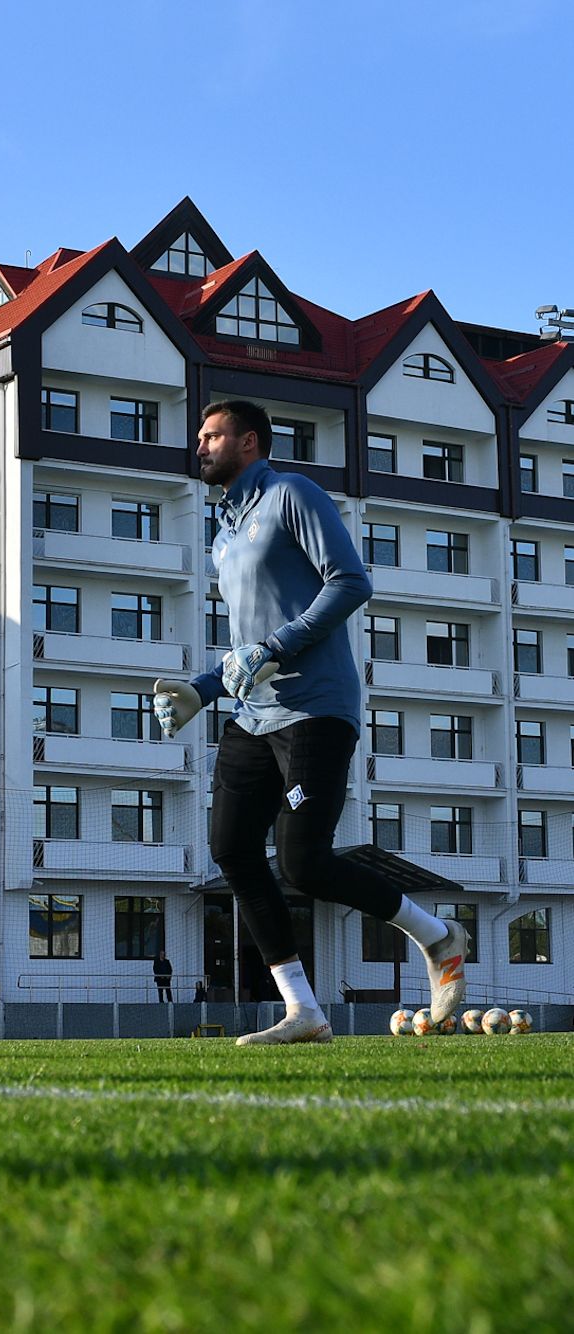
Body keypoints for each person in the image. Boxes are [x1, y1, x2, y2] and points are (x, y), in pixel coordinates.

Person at [153, 400, 467, 1046]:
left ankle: (437, 936)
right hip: (252, 716)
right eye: (200, 437)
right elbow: (248, 646)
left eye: (213, 436)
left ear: (249, 442)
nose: (201, 446)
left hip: (317, 707)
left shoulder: (291, 494)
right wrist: (201, 691)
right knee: (232, 847)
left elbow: (351, 582)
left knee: (304, 861)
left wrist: (274, 649)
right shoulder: (222, 533)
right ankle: (304, 1010)